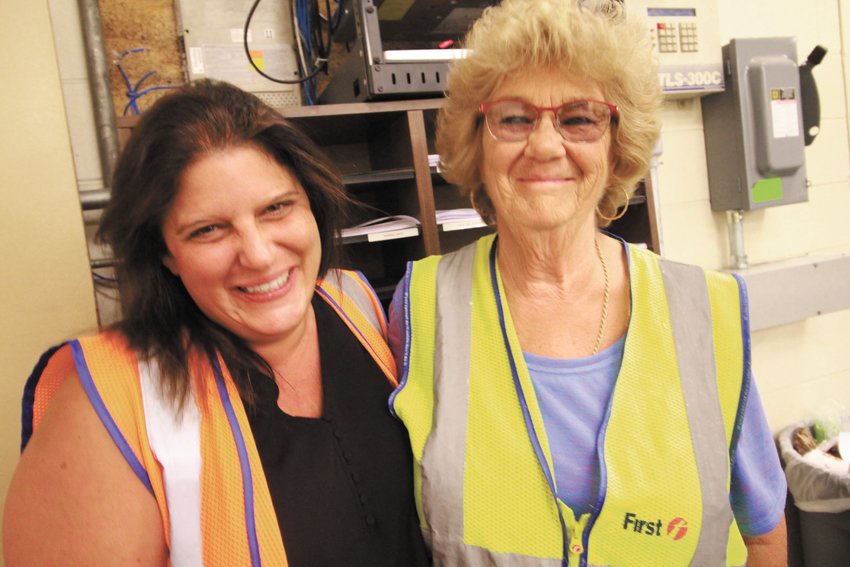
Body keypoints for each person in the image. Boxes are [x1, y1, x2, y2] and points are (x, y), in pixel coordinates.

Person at [388, 0, 788, 565]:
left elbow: (764, 533)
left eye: (579, 118)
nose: (546, 145)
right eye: (514, 117)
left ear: (615, 143)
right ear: (477, 141)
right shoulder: (421, 307)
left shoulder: (705, 311)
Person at [3, 79, 430, 567]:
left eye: (276, 208)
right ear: (164, 252)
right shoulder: (109, 398)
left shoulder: (357, 305)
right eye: (209, 229)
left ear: (312, 204)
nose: (259, 254)